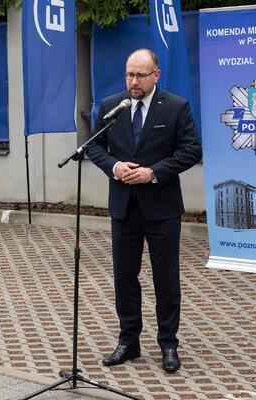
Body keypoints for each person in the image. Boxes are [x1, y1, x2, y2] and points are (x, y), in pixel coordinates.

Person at [87, 49, 202, 373]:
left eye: (139, 75)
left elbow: (191, 150)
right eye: (129, 74)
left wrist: (154, 172)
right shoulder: (112, 105)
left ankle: (168, 344)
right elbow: (94, 145)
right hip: (124, 207)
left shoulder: (177, 107)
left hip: (162, 207)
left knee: (165, 278)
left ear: (156, 74)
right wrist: (115, 166)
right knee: (125, 276)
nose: (133, 81)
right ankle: (128, 341)